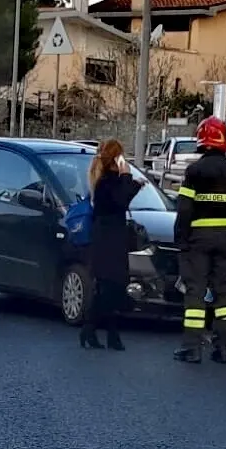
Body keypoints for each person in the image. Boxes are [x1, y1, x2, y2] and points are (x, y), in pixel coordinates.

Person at [173, 116, 226, 364]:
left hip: (199, 239)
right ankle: (223, 349)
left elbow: (184, 210)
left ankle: (192, 348)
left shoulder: (194, 171)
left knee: (195, 292)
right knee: (225, 294)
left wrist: (181, 240)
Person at [79, 139, 144, 351]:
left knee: (110, 288)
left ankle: (95, 331)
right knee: (109, 287)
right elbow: (121, 200)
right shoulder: (107, 181)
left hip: (110, 238)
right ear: (117, 158)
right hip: (108, 240)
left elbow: (122, 198)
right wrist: (127, 176)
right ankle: (103, 332)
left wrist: (134, 184)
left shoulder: (108, 180)